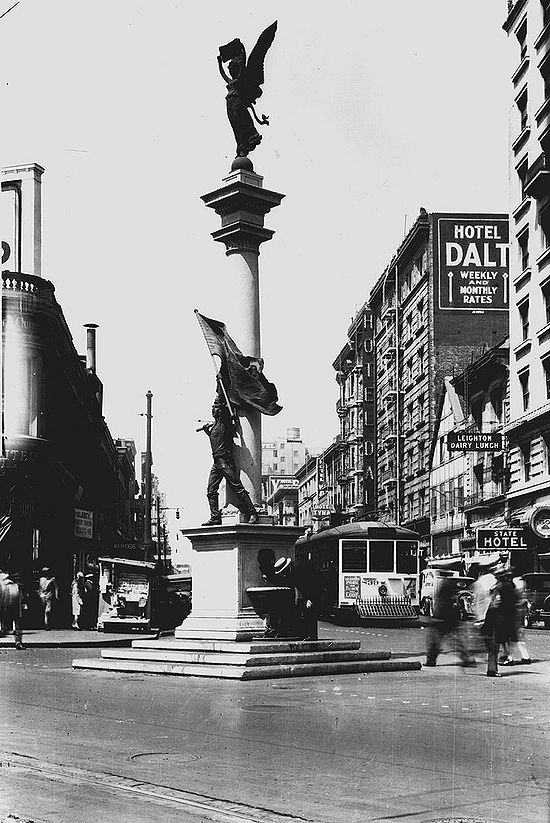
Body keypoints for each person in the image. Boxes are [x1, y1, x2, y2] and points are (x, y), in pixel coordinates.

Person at [199, 394, 258, 526]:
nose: (212, 410)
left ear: (220, 410)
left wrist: (222, 390)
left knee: (237, 487)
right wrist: (207, 432)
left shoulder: (223, 422)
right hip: (216, 462)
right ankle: (214, 517)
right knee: (211, 490)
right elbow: (216, 440)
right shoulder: (214, 427)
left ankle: (252, 512)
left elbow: (226, 410)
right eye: (212, 408)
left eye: (215, 408)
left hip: (225, 461)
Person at [425, 576, 476, 668]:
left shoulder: (443, 592)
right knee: (453, 641)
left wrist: (436, 617)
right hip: (447, 619)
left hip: (441, 619)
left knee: (436, 641)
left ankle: (431, 660)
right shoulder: (449, 592)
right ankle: (467, 658)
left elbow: (441, 606)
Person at [274, 557, 328, 640]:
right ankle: (304, 635)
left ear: (287, 568)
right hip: (307, 592)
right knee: (304, 612)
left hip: (316, 590)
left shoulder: (301, 571)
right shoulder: (292, 572)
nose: (284, 574)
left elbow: (313, 584)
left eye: (284, 571)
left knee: (310, 612)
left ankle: (312, 636)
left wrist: (310, 599)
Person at [472, 561, 501, 677]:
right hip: (490, 616)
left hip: (479, 617)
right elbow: (496, 599)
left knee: (488, 643)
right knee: (494, 645)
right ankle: (492, 669)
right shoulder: (491, 580)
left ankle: (469, 657)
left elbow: (474, 601)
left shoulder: (477, 583)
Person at [0, 570, 24, 649]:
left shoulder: (9, 584)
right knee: (18, 623)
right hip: (13, 606)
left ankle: (18, 642)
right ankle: (18, 642)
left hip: (10, 605)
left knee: (17, 623)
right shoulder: (14, 585)